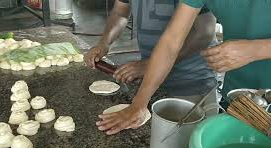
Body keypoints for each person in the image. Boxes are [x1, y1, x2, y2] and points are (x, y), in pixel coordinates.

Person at [96, 0, 271, 135]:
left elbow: (204, 31)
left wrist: (254, 50)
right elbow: (171, 41)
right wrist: (139, 103)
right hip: (238, 97)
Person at [85, 0, 218, 134]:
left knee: (191, 143)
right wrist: (104, 43)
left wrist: (148, 64)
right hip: (151, 84)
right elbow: (120, 12)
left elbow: (204, 32)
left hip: (191, 83)